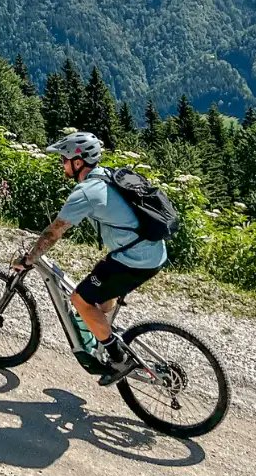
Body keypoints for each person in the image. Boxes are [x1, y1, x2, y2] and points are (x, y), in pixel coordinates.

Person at [12, 130, 167, 387]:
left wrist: (30, 258)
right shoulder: (106, 175)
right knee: (102, 285)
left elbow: (55, 231)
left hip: (134, 260)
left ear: (77, 161)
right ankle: (102, 334)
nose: (61, 164)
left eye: (64, 159)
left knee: (79, 299)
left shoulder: (86, 192)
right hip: (151, 252)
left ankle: (118, 358)